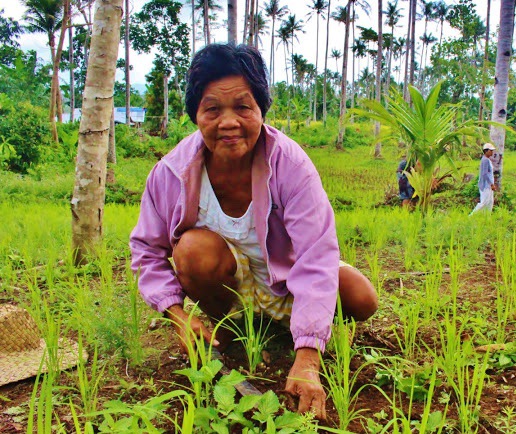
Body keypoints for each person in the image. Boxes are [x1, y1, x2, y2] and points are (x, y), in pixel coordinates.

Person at [129, 44, 378, 420]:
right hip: (232, 279)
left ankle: (292, 329)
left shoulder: (290, 164)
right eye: (212, 109)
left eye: (243, 107)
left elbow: (316, 252)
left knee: (362, 298)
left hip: (286, 275)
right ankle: (231, 326)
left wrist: (309, 355)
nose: (228, 122)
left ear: (261, 109)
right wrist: (177, 314)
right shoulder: (171, 173)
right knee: (193, 250)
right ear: (195, 114)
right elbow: (147, 250)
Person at [471, 143, 497, 214]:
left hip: (488, 185)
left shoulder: (486, 159)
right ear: (486, 151)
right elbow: (484, 174)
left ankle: (487, 218)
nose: (492, 152)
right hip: (486, 185)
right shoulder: (485, 160)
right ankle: (471, 215)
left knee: (490, 202)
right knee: (484, 202)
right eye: (490, 150)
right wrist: (491, 184)